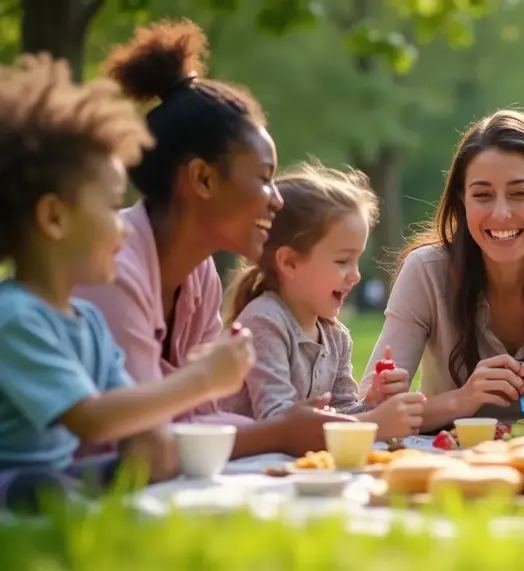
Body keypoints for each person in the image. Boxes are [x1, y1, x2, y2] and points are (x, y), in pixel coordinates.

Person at [74, 19, 353, 461]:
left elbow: (198, 421)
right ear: (202, 178)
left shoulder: (200, 275)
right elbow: (140, 446)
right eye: (263, 179)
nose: (277, 200)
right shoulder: (113, 272)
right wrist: (279, 432)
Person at [0, 54, 255, 512]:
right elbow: (94, 421)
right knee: (43, 488)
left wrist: (156, 446)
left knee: (151, 458)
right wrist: (201, 380)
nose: (123, 225)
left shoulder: (89, 320)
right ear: (55, 217)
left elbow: (132, 412)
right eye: (112, 204)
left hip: (62, 475)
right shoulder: (15, 317)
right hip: (15, 478)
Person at [360, 110, 524, 431]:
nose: (500, 213)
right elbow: (371, 414)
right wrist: (462, 399)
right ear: (462, 201)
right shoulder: (425, 272)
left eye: (519, 193)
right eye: (482, 195)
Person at [218, 161, 426, 439]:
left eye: (357, 260)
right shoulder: (263, 322)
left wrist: (373, 402)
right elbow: (278, 422)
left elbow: (342, 412)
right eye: (342, 261)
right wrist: (373, 423)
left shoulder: (335, 336)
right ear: (290, 262)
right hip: (248, 466)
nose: (355, 275)